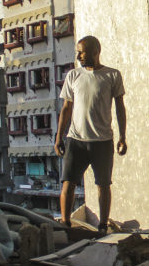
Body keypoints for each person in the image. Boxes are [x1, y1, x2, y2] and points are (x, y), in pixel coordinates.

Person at [54, 36, 127, 233]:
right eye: (78, 52)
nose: (78, 56)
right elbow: (66, 108)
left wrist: (123, 136)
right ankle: (65, 223)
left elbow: (120, 107)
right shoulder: (73, 75)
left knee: (103, 184)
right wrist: (59, 137)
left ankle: (103, 225)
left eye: (82, 52)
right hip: (75, 139)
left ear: (95, 51)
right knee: (68, 181)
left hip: (102, 141)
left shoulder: (112, 75)